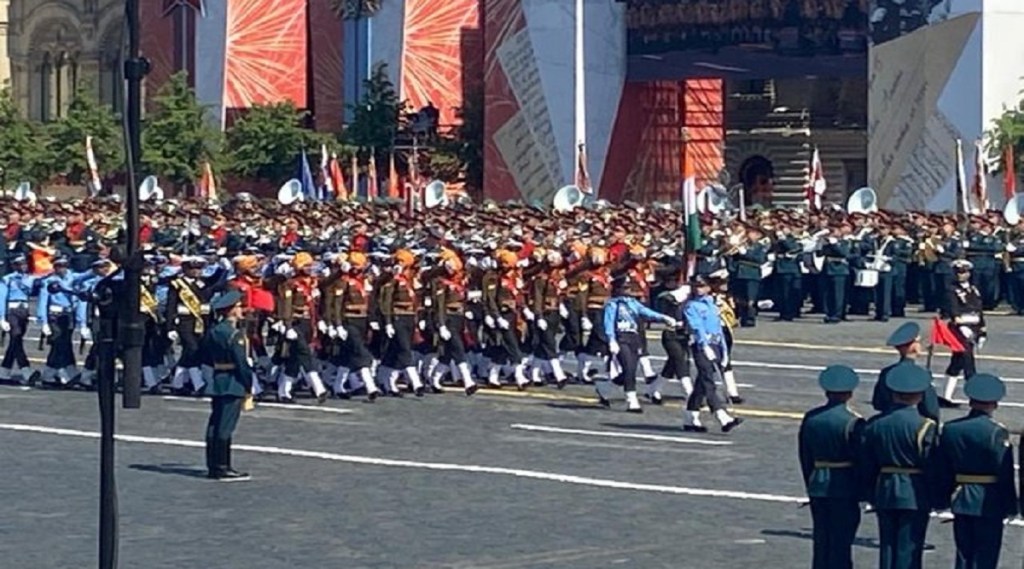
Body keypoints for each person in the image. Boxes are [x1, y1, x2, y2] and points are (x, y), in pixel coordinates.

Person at [934, 373, 1016, 569]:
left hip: (960, 497)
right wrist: (1010, 505)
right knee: (986, 555)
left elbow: (943, 468)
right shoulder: (996, 432)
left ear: (970, 401)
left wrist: (941, 498)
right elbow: (1005, 473)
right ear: (994, 403)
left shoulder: (951, 429)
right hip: (990, 500)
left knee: (963, 553)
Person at [861, 362, 938, 569]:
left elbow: (866, 464)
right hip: (915, 491)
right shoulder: (925, 426)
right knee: (910, 549)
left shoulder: (874, 424)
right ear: (920, 395)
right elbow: (932, 466)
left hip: (884, 489)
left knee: (887, 547)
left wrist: (869, 493)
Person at [798, 364, 865, 569]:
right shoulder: (853, 422)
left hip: (818, 482)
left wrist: (811, 480)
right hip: (844, 485)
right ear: (850, 393)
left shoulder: (811, 418)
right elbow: (861, 460)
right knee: (841, 542)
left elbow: (805, 456)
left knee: (822, 538)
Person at [597, 274, 676, 412]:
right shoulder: (612, 305)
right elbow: (608, 323)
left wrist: (663, 317)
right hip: (620, 337)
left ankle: (604, 389)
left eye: (628, 287)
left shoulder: (632, 303)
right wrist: (611, 340)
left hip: (633, 338)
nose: (628, 291)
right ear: (617, 289)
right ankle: (632, 401)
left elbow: (646, 312)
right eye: (625, 288)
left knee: (631, 369)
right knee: (628, 368)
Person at [201, 289, 254, 481]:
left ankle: (213, 465)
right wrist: (249, 385)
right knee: (225, 427)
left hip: (217, 380)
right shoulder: (234, 334)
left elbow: (204, 355)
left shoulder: (214, 331)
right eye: (238, 307)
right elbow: (242, 363)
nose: (241, 310)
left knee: (214, 425)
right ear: (231, 310)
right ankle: (223, 467)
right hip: (233, 382)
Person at [680, 275, 743, 432]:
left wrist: (724, 352)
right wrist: (704, 345)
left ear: (708, 287)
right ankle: (723, 417)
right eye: (695, 286)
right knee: (708, 379)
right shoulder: (691, 306)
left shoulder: (711, 305)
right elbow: (697, 327)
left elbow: (719, 330)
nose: (697, 289)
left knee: (701, 384)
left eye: (701, 286)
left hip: (715, 344)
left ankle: (690, 417)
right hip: (702, 346)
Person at [870, 322, 939, 422]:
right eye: (918, 342)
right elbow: (931, 409)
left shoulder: (887, 372)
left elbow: (878, 403)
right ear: (913, 346)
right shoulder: (921, 374)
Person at [941, 259, 985, 407]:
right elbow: (953, 309)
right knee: (968, 363)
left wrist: (982, 330)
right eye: (959, 272)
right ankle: (975, 397)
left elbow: (979, 309)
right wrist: (961, 326)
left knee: (957, 362)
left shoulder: (973, 289)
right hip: (959, 329)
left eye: (965, 272)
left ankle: (945, 396)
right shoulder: (951, 289)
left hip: (973, 327)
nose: (962, 275)